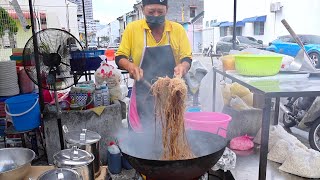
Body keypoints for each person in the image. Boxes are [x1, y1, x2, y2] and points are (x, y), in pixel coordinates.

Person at [115, 0, 192, 131]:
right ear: (143, 9)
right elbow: (120, 56)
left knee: (172, 131)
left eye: (160, 12)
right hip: (143, 91)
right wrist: (130, 66)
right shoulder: (133, 29)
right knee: (142, 136)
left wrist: (183, 67)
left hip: (172, 93)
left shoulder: (178, 30)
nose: (156, 15)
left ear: (166, 9)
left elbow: (187, 58)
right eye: (151, 12)